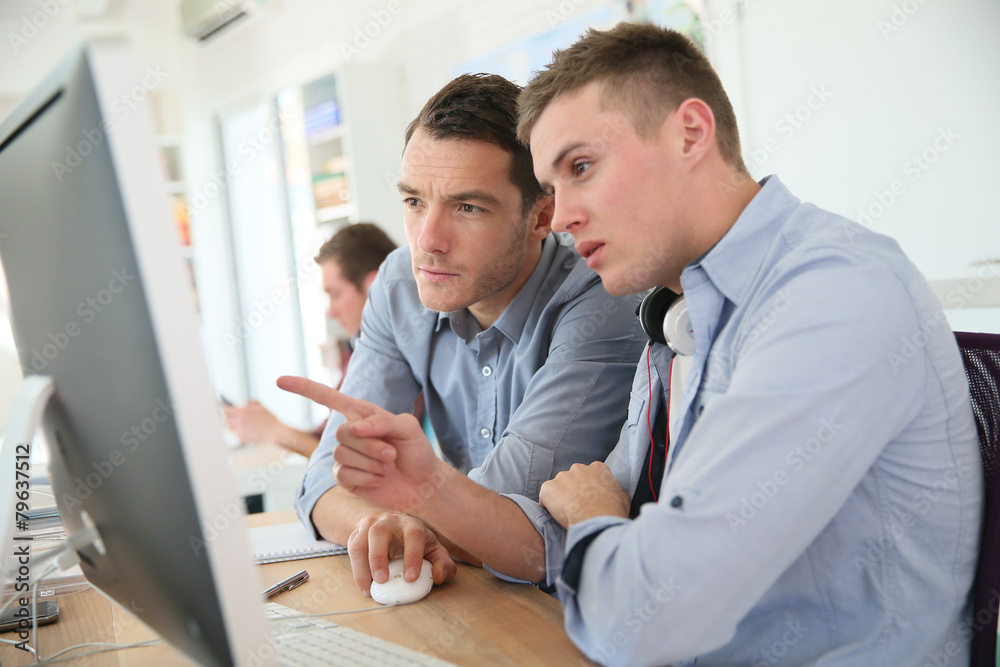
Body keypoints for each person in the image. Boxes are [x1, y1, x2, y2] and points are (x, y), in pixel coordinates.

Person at [287, 23, 984, 667]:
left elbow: (643, 614)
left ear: (690, 133)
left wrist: (596, 515)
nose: (562, 217)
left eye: (582, 167)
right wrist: (432, 486)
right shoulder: (681, 316)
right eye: (552, 184)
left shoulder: (829, 296)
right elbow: (559, 540)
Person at [285, 73, 647, 585]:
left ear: (541, 217)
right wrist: (377, 525)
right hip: (470, 591)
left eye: (467, 207)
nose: (427, 241)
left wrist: (404, 520)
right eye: (414, 202)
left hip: (562, 605)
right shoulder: (400, 283)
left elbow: (503, 512)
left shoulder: (600, 298)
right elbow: (324, 482)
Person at [223, 222, 396, 458]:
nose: (331, 312)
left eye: (335, 294)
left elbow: (355, 461)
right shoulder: (360, 354)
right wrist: (265, 426)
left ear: (372, 286)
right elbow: (327, 441)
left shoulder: (392, 363)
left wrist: (275, 431)